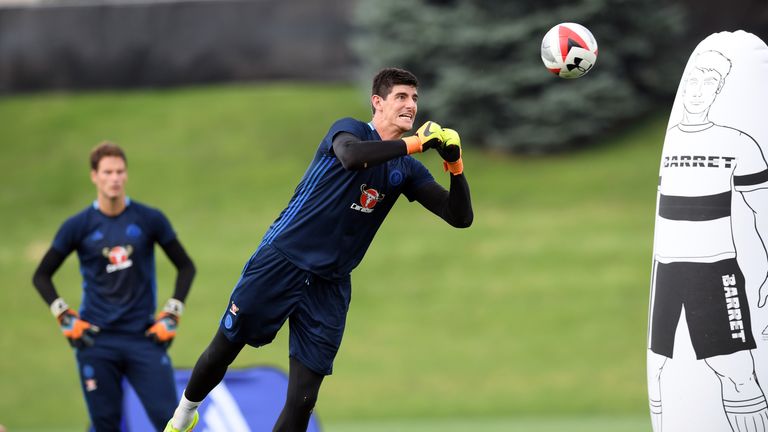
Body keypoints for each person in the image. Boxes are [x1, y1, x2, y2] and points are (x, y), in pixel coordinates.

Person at [164, 67, 473, 432]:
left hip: (331, 285)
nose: (410, 105)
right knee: (225, 347)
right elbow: (351, 157)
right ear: (377, 103)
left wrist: (454, 165)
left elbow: (459, 217)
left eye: (415, 99)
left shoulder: (405, 170)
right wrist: (417, 143)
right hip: (282, 259)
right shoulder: (350, 130)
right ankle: (184, 414)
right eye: (401, 97)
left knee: (304, 399)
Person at [32, 142, 197, 431]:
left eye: (120, 171)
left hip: (144, 338)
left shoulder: (149, 219)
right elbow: (41, 275)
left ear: (127, 175)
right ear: (94, 176)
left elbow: (186, 267)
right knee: (105, 425)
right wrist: (64, 316)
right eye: (107, 172)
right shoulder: (78, 225)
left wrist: (172, 313)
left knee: (172, 422)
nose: (115, 178)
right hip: (96, 341)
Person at [648, 50, 768, 431]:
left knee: (736, 371)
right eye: (694, 81)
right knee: (660, 372)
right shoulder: (674, 143)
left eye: (709, 84)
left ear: (718, 91)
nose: (698, 91)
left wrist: (765, 270)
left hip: (714, 270)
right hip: (666, 270)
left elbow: (763, 208)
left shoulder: (737, 142)